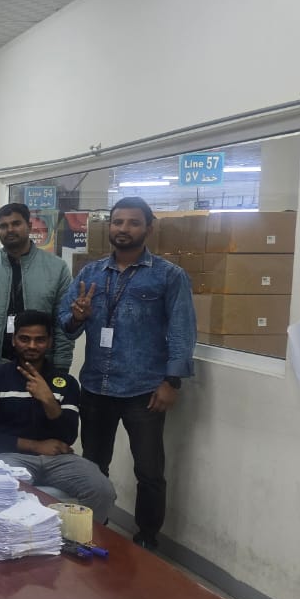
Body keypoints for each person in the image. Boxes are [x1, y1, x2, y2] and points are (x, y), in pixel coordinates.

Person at [59, 197, 195, 550]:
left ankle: (147, 539)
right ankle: (94, 528)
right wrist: (77, 317)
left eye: (133, 222)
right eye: (118, 222)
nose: (123, 229)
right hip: (96, 387)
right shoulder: (90, 273)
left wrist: (172, 381)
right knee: (93, 466)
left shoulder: (169, 276)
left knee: (149, 472)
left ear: (149, 227)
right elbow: (66, 325)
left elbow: (182, 331)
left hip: (144, 390)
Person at [0, 311, 117, 520]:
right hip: (9, 456)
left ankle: (81, 538)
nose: (32, 346)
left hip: (58, 460)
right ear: (13, 340)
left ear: (49, 343)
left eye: (39, 340)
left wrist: (48, 400)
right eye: (24, 339)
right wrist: (35, 446)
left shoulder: (66, 382)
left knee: (103, 491)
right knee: (5, 491)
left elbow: (68, 436)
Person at [0, 202, 72, 388]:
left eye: (16, 223)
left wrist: (61, 366)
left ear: (29, 226)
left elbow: (63, 323)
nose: (10, 230)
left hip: (40, 366)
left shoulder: (57, 268)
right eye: (3, 226)